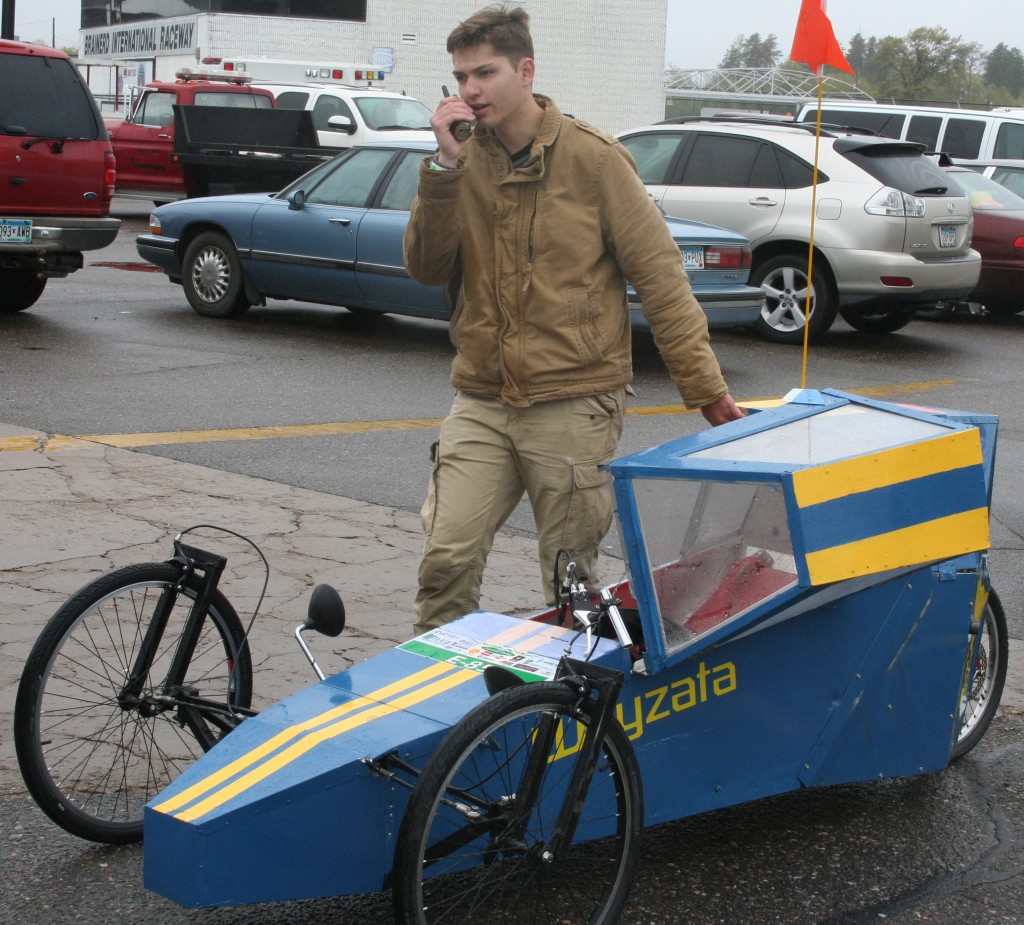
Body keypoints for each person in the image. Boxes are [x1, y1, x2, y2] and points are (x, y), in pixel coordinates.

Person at [403, 3, 744, 636]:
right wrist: (443, 169)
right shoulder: (461, 159)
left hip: (575, 398)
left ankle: (573, 720)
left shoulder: (594, 160)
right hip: (482, 394)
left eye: (484, 73)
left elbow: (662, 278)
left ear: (525, 70)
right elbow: (426, 267)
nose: (469, 92)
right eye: (460, 78)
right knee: (445, 559)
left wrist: (707, 391)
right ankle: (441, 716)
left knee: (568, 580)